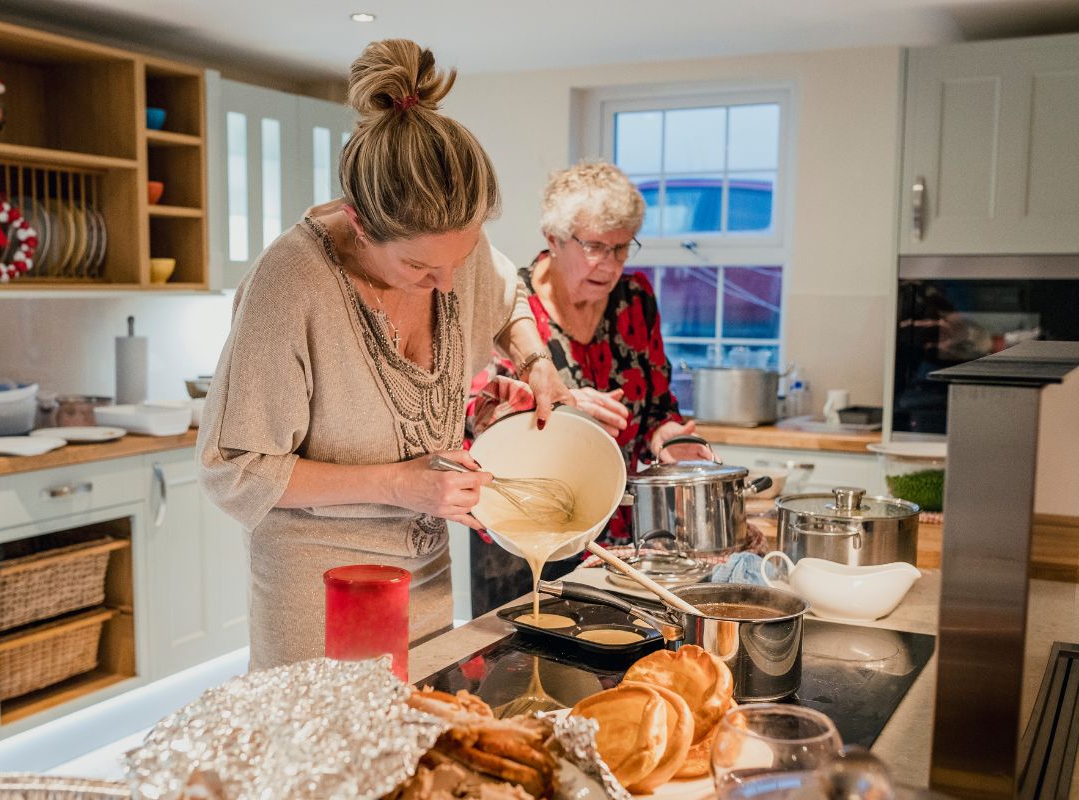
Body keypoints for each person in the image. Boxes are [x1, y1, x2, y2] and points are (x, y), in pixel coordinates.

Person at [197, 39, 571, 669]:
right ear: (360, 224)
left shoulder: (456, 252)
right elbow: (232, 469)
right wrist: (401, 483)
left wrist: (536, 363)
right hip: (320, 598)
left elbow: (506, 297)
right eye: (420, 266)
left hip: (426, 580)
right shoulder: (292, 285)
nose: (447, 285)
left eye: (460, 258)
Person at [469, 161, 712, 614]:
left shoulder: (635, 299)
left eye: (623, 248)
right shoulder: (508, 308)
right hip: (523, 537)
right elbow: (477, 420)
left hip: (617, 538)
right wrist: (564, 414)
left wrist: (668, 436)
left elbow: (658, 403)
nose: (612, 264)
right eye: (596, 246)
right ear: (554, 239)